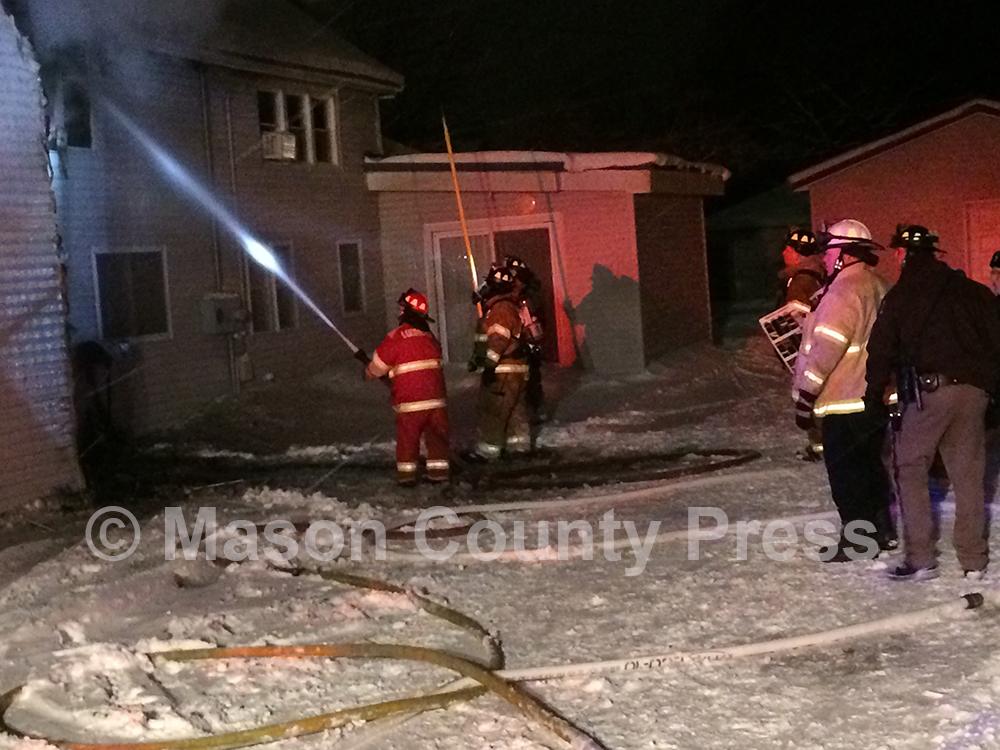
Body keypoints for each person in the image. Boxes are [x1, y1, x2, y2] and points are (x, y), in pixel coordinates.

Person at [866, 225, 1000, 580]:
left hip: (930, 393)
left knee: (908, 468)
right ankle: (973, 561)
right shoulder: (973, 291)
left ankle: (920, 557)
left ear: (902, 254)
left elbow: (880, 350)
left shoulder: (901, 296)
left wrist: (873, 395)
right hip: (974, 394)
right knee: (969, 476)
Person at [793, 219, 896, 562]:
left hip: (844, 401)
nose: (824, 258)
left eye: (829, 251)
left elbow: (825, 349)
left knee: (847, 476)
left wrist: (805, 396)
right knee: (870, 468)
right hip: (873, 399)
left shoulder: (843, 292)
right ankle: (882, 533)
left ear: (843, 254)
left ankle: (858, 543)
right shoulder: (879, 285)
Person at [364, 289, 450, 486]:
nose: (399, 312)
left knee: (408, 442)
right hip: (437, 402)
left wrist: (367, 372)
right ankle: (439, 476)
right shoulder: (429, 338)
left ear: (407, 311)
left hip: (411, 404)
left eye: (402, 308)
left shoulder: (396, 337)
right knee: (437, 441)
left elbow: (377, 367)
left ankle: (407, 478)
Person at [466, 264, 531, 461]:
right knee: (513, 410)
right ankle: (519, 448)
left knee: (494, 411)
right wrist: (476, 359)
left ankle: (487, 452)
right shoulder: (506, 306)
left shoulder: (500, 309)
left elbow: (498, 340)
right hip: (515, 369)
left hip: (503, 370)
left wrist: (488, 364)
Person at [504, 255, 545, 420]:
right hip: (515, 335)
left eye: (516, 275)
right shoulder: (508, 292)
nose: (514, 280)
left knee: (532, 375)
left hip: (528, 336)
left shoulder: (530, 292)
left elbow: (535, 306)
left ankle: (536, 408)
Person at [779, 228, 826, 309]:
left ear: (797, 256)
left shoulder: (799, 284)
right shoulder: (818, 274)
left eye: (788, 251)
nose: (784, 253)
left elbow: (796, 316)